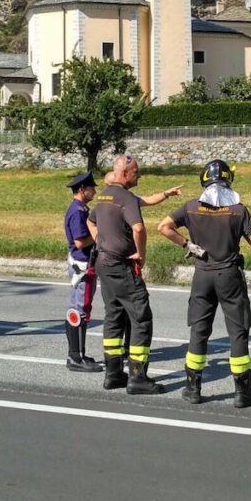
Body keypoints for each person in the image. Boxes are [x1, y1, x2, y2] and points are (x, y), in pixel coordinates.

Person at [157, 158, 251, 407]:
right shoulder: (238, 209)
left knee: (199, 330)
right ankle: (242, 392)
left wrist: (188, 245)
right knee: (238, 331)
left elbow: (164, 227)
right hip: (229, 275)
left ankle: (192, 388)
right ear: (228, 180)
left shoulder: (191, 207)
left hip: (202, 275)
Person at [87, 155, 163, 395]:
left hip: (104, 264)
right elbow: (139, 228)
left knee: (114, 316)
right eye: (136, 172)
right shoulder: (126, 198)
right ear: (124, 173)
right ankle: (138, 377)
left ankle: (113, 374)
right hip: (121, 266)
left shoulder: (104, 195)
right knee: (141, 317)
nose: (139, 175)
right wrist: (141, 254)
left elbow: (90, 221)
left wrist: (101, 240)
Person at [63, 170, 103, 373]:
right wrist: (98, 235)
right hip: (82, 264)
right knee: (80, 309)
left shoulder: (80, 208)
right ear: (82, 189)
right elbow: (80, 241)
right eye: (91, 188)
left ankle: (79, 353)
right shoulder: (78, 211)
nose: (94, 191)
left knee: (81, 308)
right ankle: (75, 356)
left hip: (84, 263)